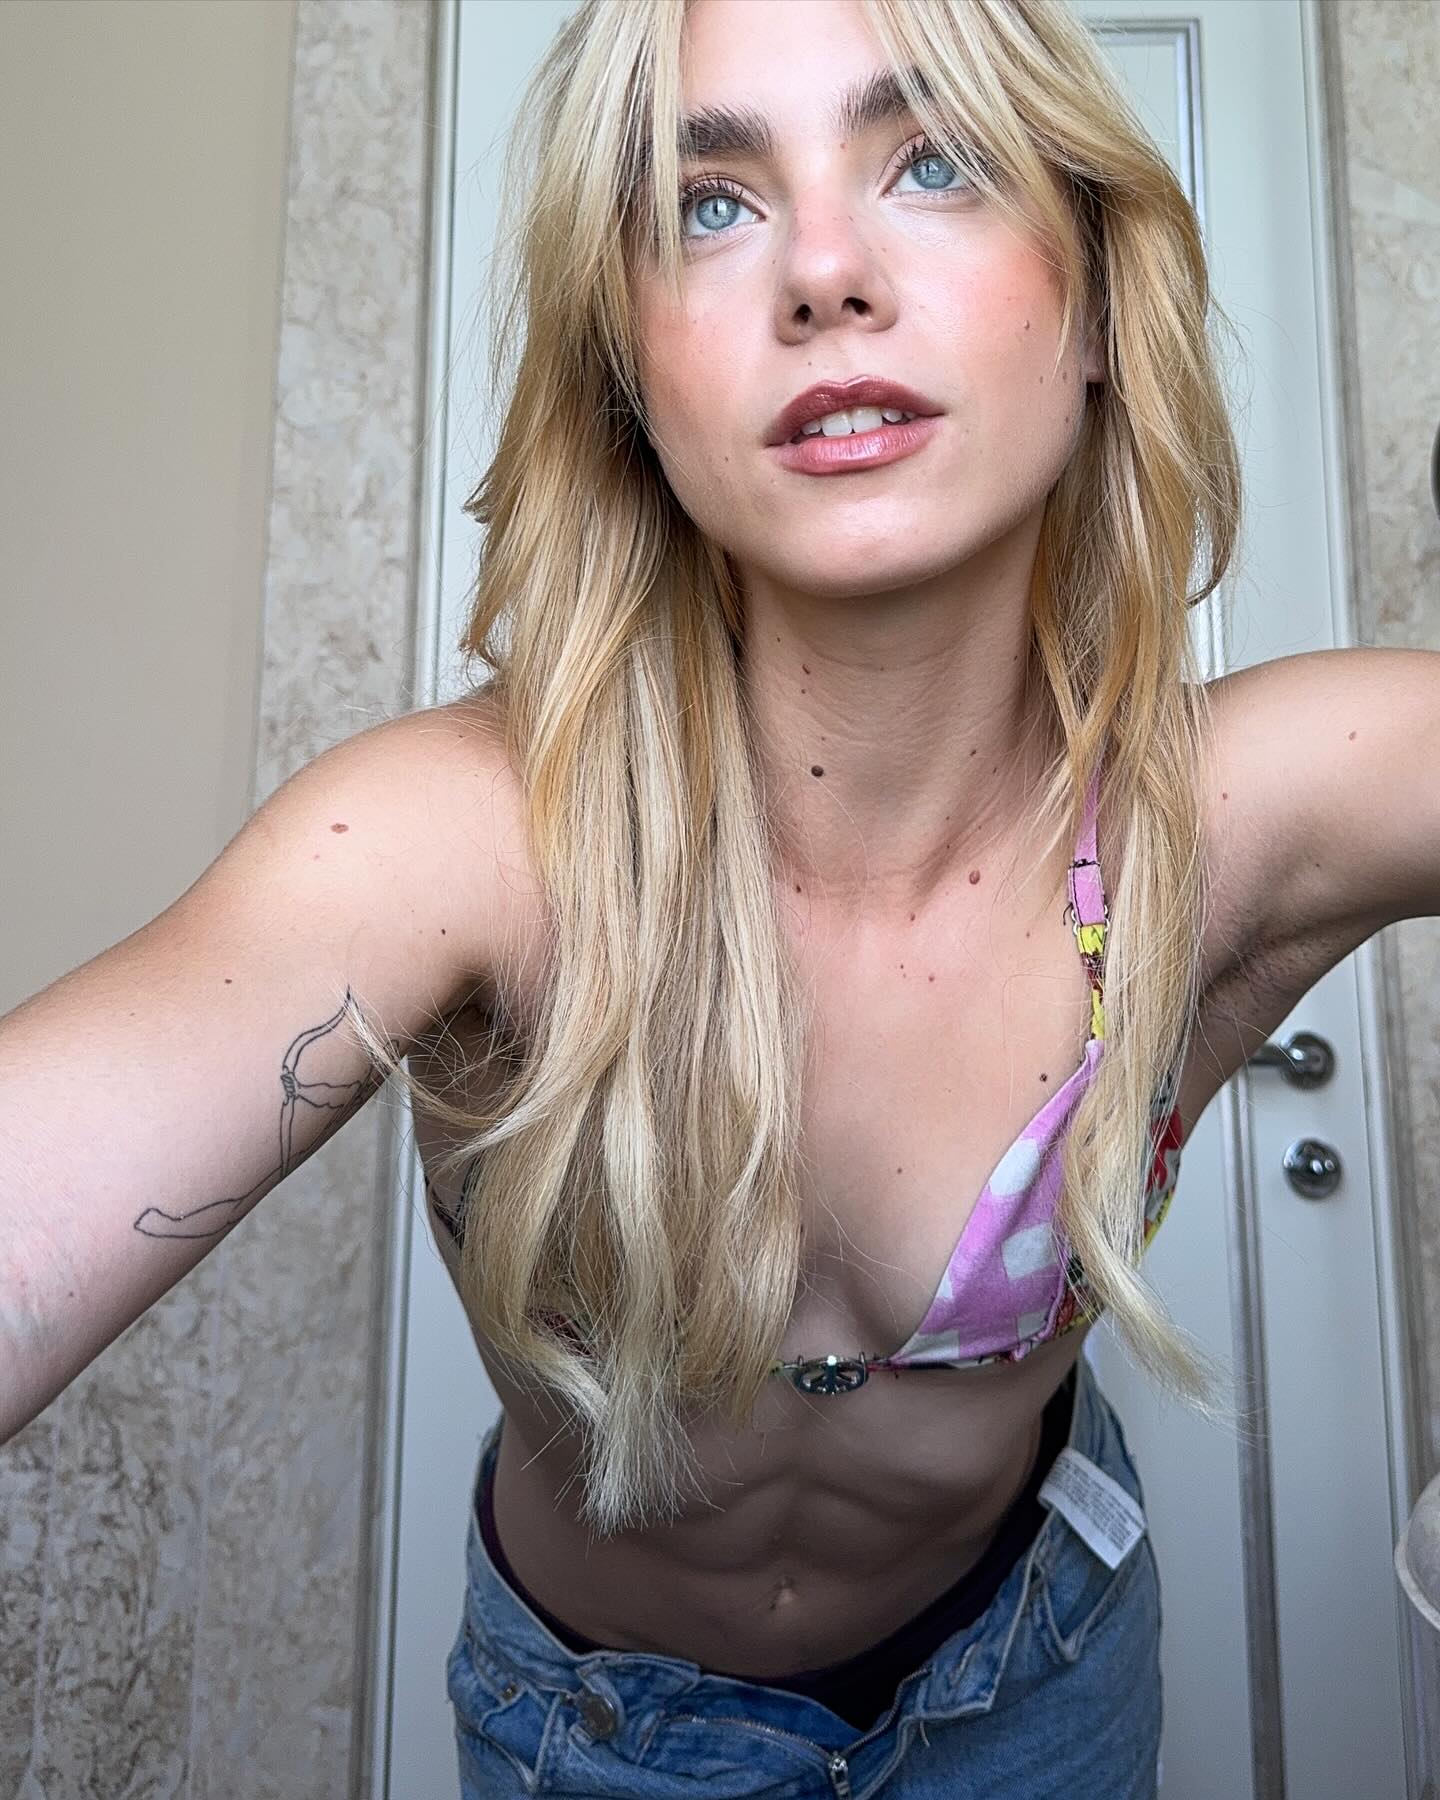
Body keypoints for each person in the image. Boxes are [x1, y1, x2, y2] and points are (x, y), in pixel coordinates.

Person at [2, 0, 1435, 1794]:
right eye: (711, 205)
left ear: (1091, 306)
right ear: (632, 373)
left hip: (1043, 1677)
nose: (824, 272)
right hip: (596, 1735)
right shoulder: (466, 841)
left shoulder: (1226, 818)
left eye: (934, 161)